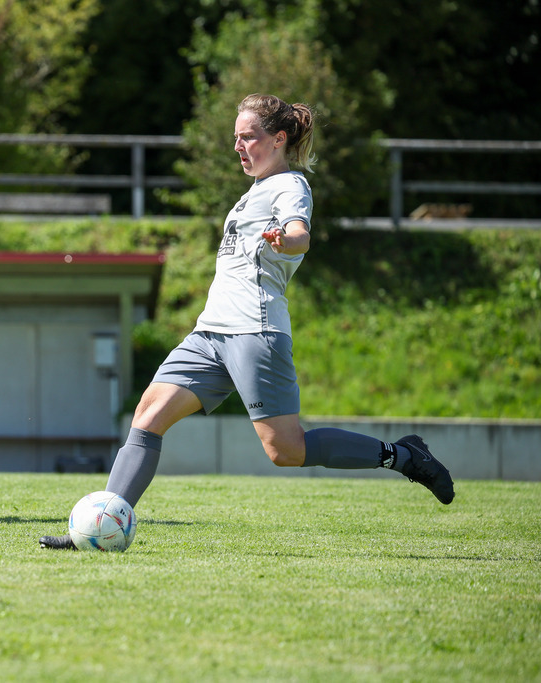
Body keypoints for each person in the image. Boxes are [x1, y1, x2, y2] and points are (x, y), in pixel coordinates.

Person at [40, 93, 454, 549]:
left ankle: (402, 455)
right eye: (235, 138)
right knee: (148, 415)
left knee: (286, 451)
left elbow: (300, 235)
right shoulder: (252, 191)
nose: (239, 146)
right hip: (209, 332)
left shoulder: (291, 185)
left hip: (255, 330)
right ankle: (98, 528)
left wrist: (286, 239)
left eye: (248, 137)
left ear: (278, 139)